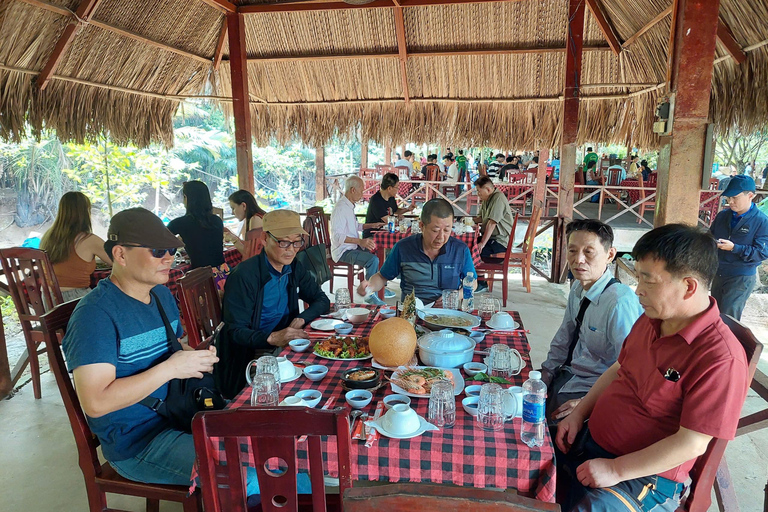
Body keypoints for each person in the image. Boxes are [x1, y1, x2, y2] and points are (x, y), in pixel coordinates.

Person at [60, 207, 263, 492]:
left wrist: (193, 357)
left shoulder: (160, 294)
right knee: (252, 476)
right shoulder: (95, 316)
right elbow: (96, 402)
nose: (169, 258)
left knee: (275, 447)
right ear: (120, 254)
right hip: (139, 442)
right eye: (157, 251)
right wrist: (171, 368)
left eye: (170, 249)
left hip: (182, 413)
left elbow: (174, 346)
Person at [556, 224, 749, 512]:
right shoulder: (652, 318)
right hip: (592, 442)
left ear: (689, 287)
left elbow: (692, 443)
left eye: (648, 281)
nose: (638, 291)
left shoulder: (721, 357)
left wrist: (617, 470)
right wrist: (580, 412)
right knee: (525, 460)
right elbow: (618, 369)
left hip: (643, 478)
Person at [217, 210, 331, 398]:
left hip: (285, 344)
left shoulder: (293, 267)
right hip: (252, 354)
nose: (291, 249)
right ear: (264, 238)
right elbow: (234, 332)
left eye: (296, 242)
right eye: (283, 242)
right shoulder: (245, 276)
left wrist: (301, 319)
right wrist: (272, 338)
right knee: (301, 391)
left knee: (326, 368)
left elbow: (321, 300)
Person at [540, 220, 642, 424]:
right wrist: (545, 374)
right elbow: (564, 337)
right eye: (572, 250)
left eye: (589, 252)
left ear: (610, 255)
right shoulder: (578, 289)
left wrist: (586, 403)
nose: (578, 260)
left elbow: (633, 369)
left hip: (595, 392)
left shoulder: (618, 303)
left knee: (549, 432)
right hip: (570, 376)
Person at [359, 198, 475, 304]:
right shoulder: (403, 248)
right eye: (435, 230)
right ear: (421, 226)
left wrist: (455, 296)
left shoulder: (460, 250)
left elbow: (473, 283)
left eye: (447, 230)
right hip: (412, 313)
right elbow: (382, 276)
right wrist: (370, 286)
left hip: (448, 314)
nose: (441, 237)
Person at [709, 175, 768, 320]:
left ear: (750, 196)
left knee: (729, 317)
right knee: (714, 314)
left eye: (735, 197)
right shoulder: (723, 216)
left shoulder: (761, 221)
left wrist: (735, 248)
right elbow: (709, 236)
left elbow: (762, 253)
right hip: (719, 272)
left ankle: (732, 343)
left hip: (741, 277)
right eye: (728, 198)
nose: (730, 201)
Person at [41, 191, 112, 301]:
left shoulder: (48, 236)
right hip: (74, 299)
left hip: (47, 299)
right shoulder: (88, 239)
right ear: (85, 212)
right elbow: (117, 262)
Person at [330, 176, 386, 305]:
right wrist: (360, 242)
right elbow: (337, 237)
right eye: (361, 190)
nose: (362, 193)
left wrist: (371, 225)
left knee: (376, 249)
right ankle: (370, 294)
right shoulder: (341, 208)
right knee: (373, 260)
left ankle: (378, 287)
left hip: (352, 247)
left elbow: (354, 227)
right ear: (353, 190)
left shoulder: (349, 206)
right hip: (343, 251)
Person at [167, 181, 224, 269]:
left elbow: (160, 242)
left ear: (186, 198)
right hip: (223, 273)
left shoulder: (179, 223)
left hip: (201, 276)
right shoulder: (217, 220)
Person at [363, 173, 415, 238]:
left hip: (387, 232)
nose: (398, 190)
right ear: (389, 188)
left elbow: (395, 210)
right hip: (373, 235)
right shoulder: (376, 200)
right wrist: (398, 219)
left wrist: (408, 209)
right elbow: (388, 220)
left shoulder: (391, 197)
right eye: (397, 187)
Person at [225, 189, 266, 257]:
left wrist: (233, 239)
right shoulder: (255, 217)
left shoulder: (256, 219)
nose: (232, 213)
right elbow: (249, 246)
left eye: (233, 208)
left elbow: (251, 254)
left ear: (244, 206)